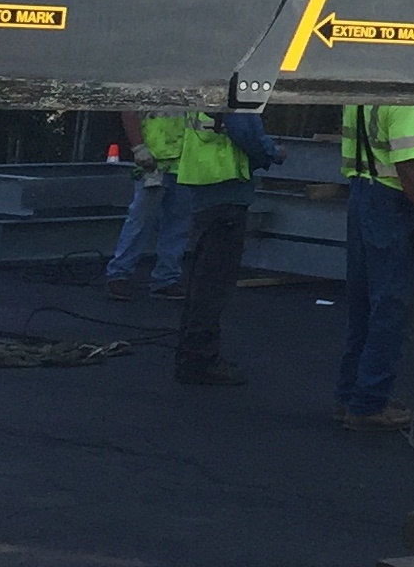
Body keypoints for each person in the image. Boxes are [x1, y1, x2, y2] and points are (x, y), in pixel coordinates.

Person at [336, 103, 414, 431]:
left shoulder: (362, 95)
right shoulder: (405, 101)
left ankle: (353, 394)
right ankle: (369, 403)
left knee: (363, 303)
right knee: (392, 305)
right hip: (393, 204)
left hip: (363, 195)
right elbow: (408, 163)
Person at [170, 108, 282, 388]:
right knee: (214, 281)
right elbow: (243, 130)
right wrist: (273, 152)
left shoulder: (206, 85)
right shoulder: (236, 90)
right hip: (226, 189)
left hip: (205, 187)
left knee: (201, 277)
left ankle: (191, 354)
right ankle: (200, 358)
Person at [105, 111, 194, 301]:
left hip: (184, 162)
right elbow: (130, 112)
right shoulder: (156, 83)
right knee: (142, 220)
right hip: (155, 162)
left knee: (177, 225)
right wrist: (138, 147)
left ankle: (165, 279)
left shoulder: (190, 87)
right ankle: (120, 274)